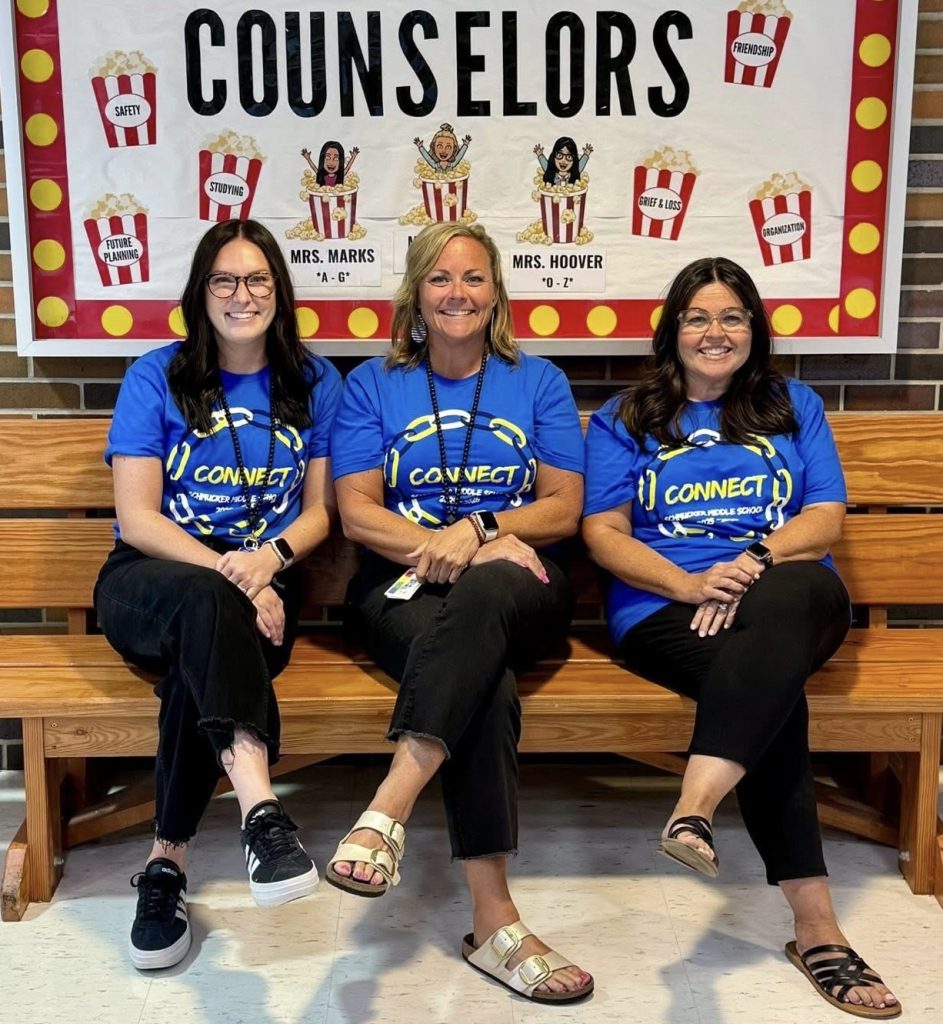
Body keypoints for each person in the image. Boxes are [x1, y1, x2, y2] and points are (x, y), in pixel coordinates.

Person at [581, 256, 900, 1019]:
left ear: (753, 330)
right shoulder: (624, 419)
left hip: (784, 595)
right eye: (697, 317)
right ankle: (816, 927)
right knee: (771, 691)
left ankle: (695, 800)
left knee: (791, 597)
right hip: (666, 608)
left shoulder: (794, 407)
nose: (714, 332)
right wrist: (689, 584)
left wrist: (752, 560)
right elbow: (601, 531)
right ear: (672, 331)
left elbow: (822, 517)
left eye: (730, 317)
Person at [326, 222, 593, 1004]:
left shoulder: (535, 380)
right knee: (487, 683)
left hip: (522, 583)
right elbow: (357, 515)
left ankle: (388, 807)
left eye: (473, 279)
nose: (457, 293)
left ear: (495, 293)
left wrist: (477, 533)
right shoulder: (373, 384)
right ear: (414, 295)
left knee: (483, 602)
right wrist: (453, 548)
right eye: (440, 279)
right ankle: (494, 923)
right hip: (400, 588)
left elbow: (565, 506)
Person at [94, 219, 341, 971]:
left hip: (261, 582)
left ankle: (166, 866)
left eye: (258, 280)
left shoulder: (312, 379)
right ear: (201, 293)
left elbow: (319, 513)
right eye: (225, 281)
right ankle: (262, 814)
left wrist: (267, 562)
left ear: (280, 291)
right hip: (151, 581)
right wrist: (233, 573)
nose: (243, 295)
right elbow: (136, 518)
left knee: (190, 673)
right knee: (205, 607)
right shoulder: (157, 375)